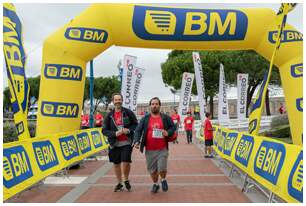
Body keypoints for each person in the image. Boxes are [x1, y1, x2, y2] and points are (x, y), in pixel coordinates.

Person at [133, 97, 176, 193]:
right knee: (152, 171)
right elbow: (138, 130)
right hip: (149, 150)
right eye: (152, 104)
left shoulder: (165, 117)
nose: (154, 106)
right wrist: (136, 141)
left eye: (156, 104)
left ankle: (163, 179)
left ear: (159, 105)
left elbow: (173, 127)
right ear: (150, 106)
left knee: (162, 168)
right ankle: (156, 184)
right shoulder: (145, 118)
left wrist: (167, 132)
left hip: (162, 148)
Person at [102, 93, 138, 192]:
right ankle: (119, 182)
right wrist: (114, 133)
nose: (118, 101)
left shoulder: (128, 112)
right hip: (114, 143)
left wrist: (129, 130)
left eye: (119, 99)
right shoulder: (109, 115)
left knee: (126, 162)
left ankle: (126, 179)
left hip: (126, 141)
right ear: (113, 101)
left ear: (122, 100)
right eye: (116, 100)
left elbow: (135, 124)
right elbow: (104, 131)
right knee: (116, 163)